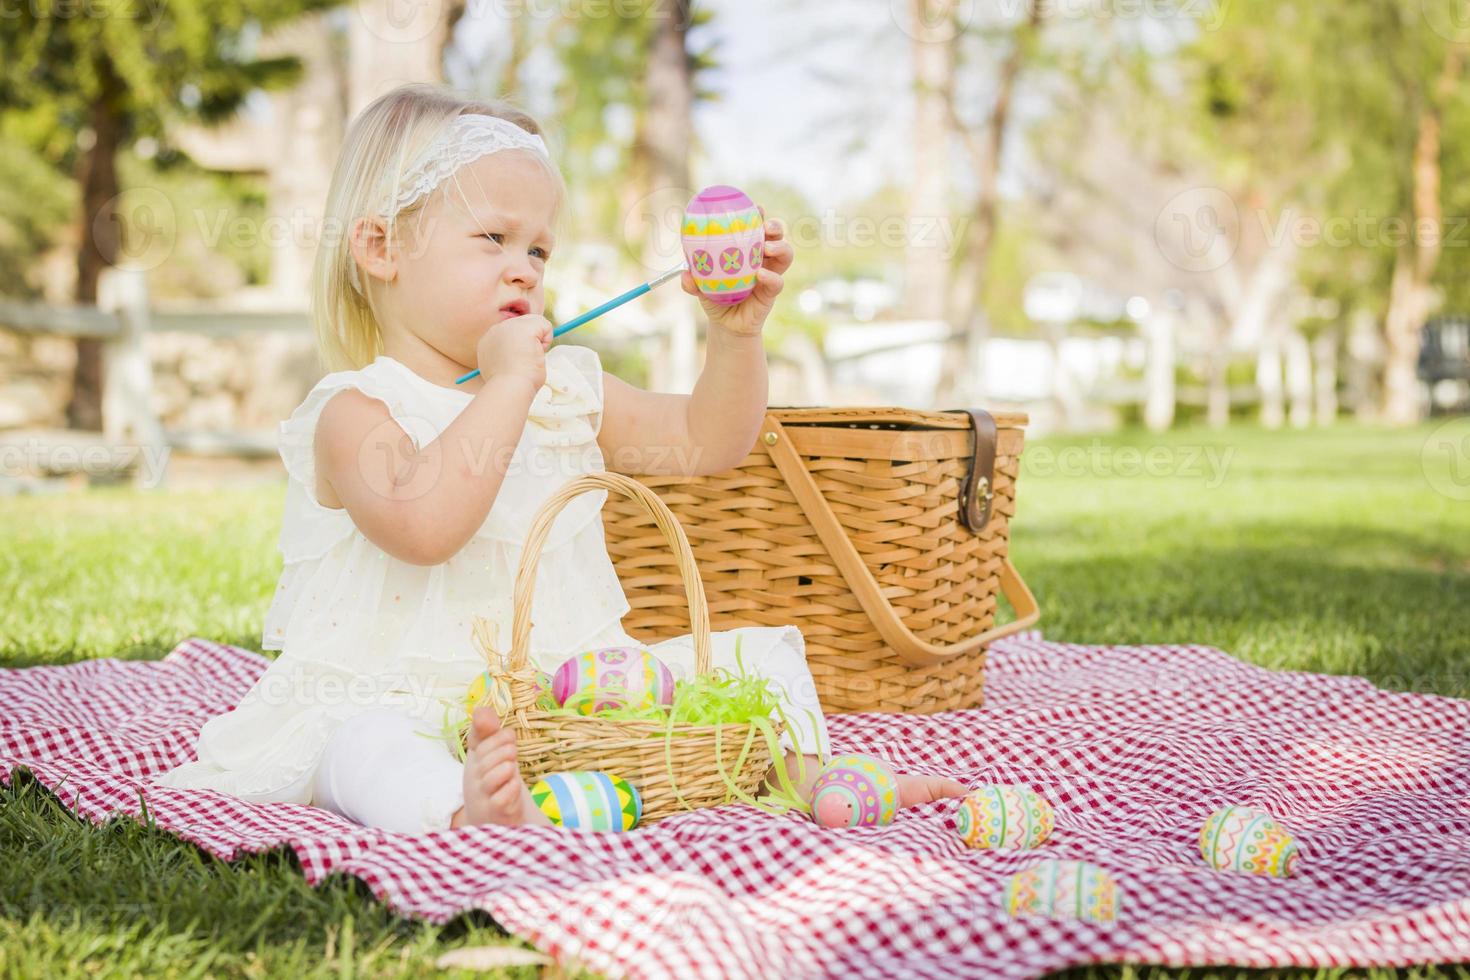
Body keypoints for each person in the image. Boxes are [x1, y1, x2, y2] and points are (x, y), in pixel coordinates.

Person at [155, 83, 965, 833]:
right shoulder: (356, 410)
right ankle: (462, 810)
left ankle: (803, 773)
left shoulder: (565, 386)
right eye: (493, 238)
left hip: (564, 697)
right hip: (397, 694)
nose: (524, 267)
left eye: (539, 250)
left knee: (760, 655)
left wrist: (736, 332)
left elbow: (709, 440)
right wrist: (506, 383)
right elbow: (425, 526)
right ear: (381, 247)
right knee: (362, 748)